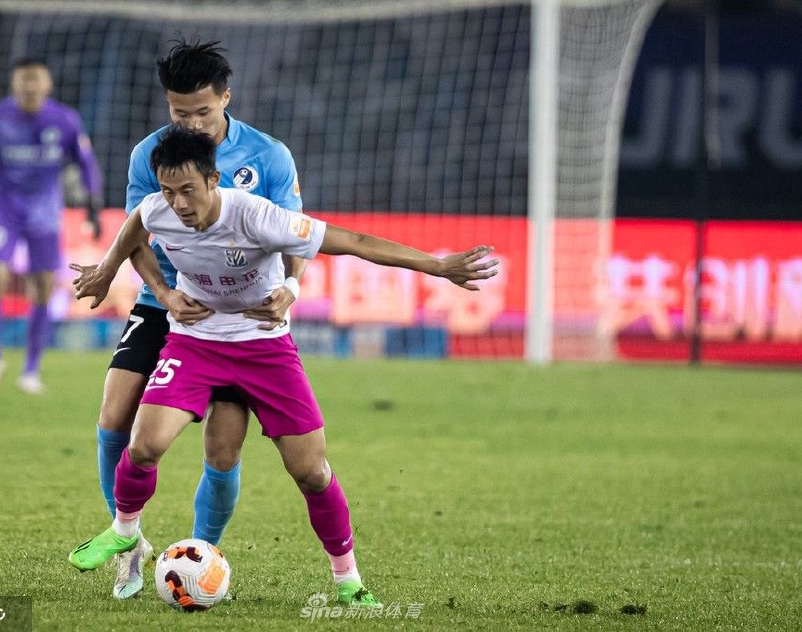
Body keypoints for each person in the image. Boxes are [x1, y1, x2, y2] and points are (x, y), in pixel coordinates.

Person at [67, 124, 499, 607]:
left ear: (213, 180)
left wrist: (438, 267)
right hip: (195, 342)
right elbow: (134, 228)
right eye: (169, 192)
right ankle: (125, 530)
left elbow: (354, 241)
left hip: (264, 348)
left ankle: (348, 580)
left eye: (188, 190)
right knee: (144, 444)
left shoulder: (256, 216)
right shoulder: (158, 209)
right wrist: (130, 278)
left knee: (311, 471)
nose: (179, 203)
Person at [89, 40, 308, 600]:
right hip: (167, 302)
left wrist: (290, 287)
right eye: (179, 112)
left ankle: (199, 557)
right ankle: (129, 546)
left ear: (226, 99)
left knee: (223, 450)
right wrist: (163, 293)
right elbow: (135, 233)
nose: (191, 123)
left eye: (202, 111)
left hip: (235, 316)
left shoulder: (269, 156)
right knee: (115, 416)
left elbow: (298, 234)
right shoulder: (150, 154)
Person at [0, 56, 103, 395]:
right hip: (4, 213)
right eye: (24, 79)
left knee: (43, 288)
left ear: (47, 84)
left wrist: (93, 205)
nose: (30, 86)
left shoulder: (64, 120)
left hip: (45, 215)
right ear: (14, 83)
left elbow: (86, 163)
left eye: (36, 79)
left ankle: (31, 369)